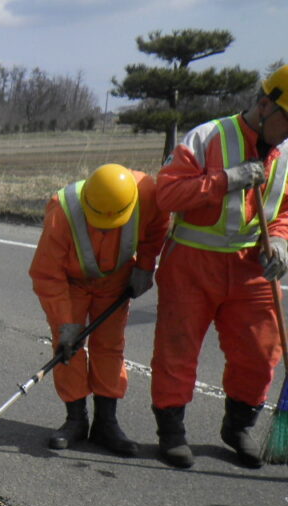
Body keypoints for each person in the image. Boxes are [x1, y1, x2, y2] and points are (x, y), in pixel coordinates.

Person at [151, 65, 288, 469]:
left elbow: (284, 210)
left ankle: (238, 426)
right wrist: (225, 179)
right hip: (192, 264)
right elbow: (168, 193)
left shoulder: (285, 154)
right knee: (177, 349)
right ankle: (172, 432)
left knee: (261, 351)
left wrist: (280, 240)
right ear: (264, 105)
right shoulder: (207, 136)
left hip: (251, 267)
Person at [30, 164, 170, 456]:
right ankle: (76, 420)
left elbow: (156, 228)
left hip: (116, 280)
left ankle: (106, 423)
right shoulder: (63, 212)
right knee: (68, 348)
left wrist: (145, 266)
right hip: (72, 283)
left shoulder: (147, 193)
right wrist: (65, 322)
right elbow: (46, 274)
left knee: (109, 346)